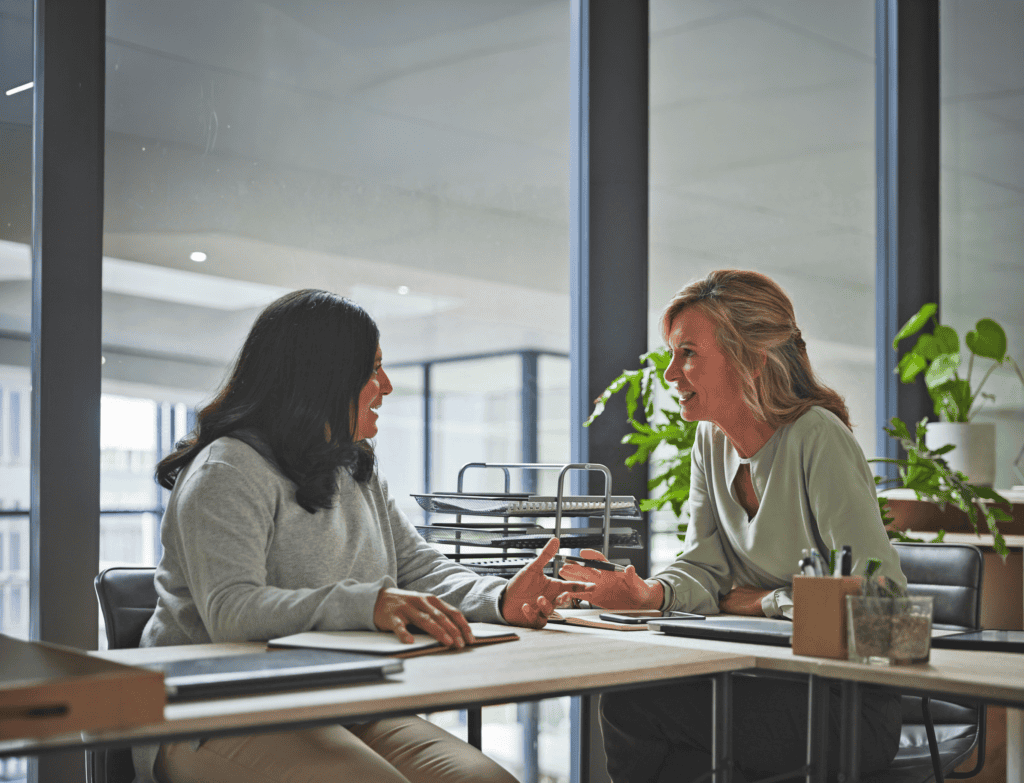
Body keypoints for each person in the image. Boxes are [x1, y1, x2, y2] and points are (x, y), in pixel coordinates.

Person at [133, 289, 594, 783]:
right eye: (373, 369)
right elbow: (232, 612)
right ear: (321, 378)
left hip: (344, 701)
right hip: (209, 712)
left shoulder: (354, 466)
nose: (387, 385)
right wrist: (368, 604)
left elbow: (417, 571)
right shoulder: (226, 470)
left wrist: (501, 597)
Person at [560, 269, 907, 783]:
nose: (670, 374)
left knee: (638, 706)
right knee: (634, 702)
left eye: (689, 354)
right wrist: (646, 593)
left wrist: (761, 600)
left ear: (751, 360)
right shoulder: (711, 441)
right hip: (761, 679)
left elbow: (885, 604)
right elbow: (705, 567)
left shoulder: (817, 437)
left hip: (846, 706)